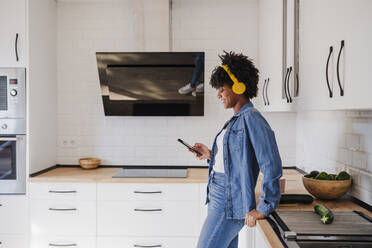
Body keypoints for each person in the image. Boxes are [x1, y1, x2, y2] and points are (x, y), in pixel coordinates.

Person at [190, 51, 282, 248]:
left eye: (222, 89)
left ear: (238, 86)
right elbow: (236, 158)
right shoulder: (236, 120)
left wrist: (265, 207)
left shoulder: (251, 118)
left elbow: (271, 164)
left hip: (228, 199)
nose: (219, 95)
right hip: (218, 195)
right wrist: (210, 155)